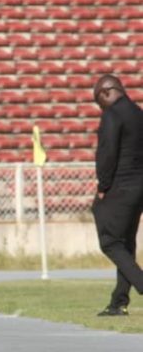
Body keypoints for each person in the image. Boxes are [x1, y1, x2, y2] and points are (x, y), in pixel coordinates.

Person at [91, 74, 143, 316]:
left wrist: (103, 185)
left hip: (119, 186)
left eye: (98, 102)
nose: (100, 107)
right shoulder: (138, 113)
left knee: (110, 241)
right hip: (139, 187)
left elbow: (107, 153)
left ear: (105, 92)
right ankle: (118, 302)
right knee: (126, 244)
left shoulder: (112, 115)